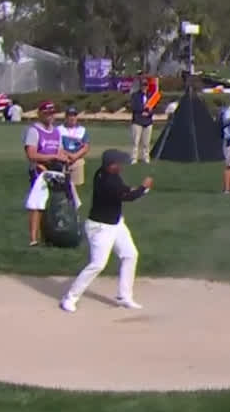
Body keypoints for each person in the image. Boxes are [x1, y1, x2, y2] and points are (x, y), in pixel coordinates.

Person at [59, 149, 152, 312]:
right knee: (98, 264)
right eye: (118, 163)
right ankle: (70, 297)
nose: (121, 166)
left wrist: (134, 188)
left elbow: (123, 189)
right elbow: (127, 197)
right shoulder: (107, 182)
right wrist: (144, 188)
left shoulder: (107, 174)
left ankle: (124, 296)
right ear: (110, 165)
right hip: (100, 228)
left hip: (116, 224)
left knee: (130, 255)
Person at [23, 101, 71, 246]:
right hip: (39, 171)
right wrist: (52, 157)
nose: (50, 116)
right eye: (46, 113)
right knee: (37, 204)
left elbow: (59, 151)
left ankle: (50, 236)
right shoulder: (34, 131)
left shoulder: (56, 132)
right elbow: (31, 154)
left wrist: (65, 158)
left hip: (55, 171)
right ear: (40, 114)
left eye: (52, 113)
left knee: (55, 204)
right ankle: (33, 239)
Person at [59, 105, 91, 206]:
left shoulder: (82, 130)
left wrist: (75, 156)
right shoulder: (59, 129)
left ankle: (75, 205)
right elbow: (57, 147)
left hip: (78, 160)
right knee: (62, 185)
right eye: (70, 115)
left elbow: (86, 147)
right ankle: (65, 203)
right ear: (66, 117)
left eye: (74, 115)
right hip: (63, 160)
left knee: (77, 185)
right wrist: (69, 155)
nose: (72, 118)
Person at [129, 76, 158, 163]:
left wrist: (148, 112)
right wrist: (144, 109)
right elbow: (134, 107)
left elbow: (154, 108)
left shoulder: (151, 96)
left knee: (146, 142)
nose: (144, 87)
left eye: (146, 85)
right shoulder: (135, 95)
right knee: (135, 142)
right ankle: (134, 158)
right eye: (143, 85)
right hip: (137, 121)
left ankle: (146, 158)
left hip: (148, 122)